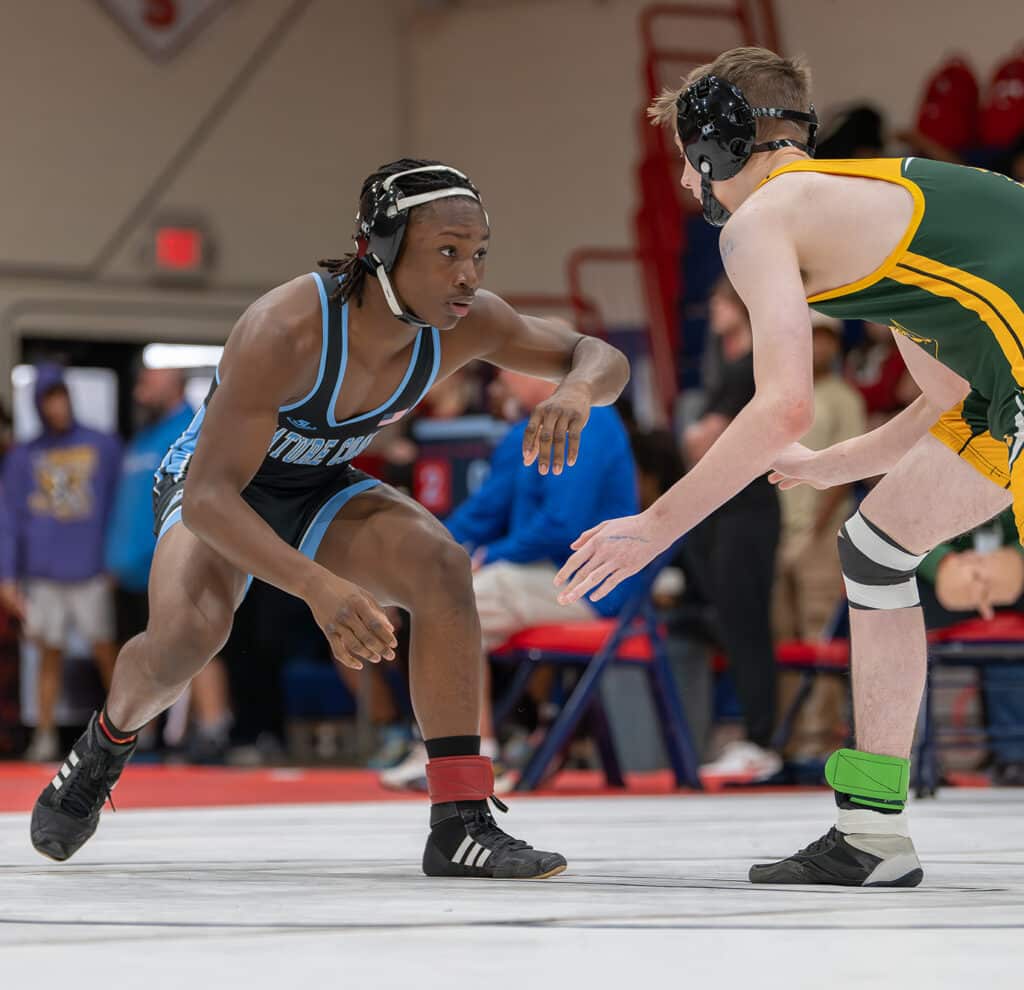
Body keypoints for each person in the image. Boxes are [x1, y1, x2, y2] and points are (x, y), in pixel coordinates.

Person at [30, 158, 630, 880]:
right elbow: (215, 497)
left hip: (315, 482)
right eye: (447, 253)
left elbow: (600, 355)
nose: (468, 274)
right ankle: (105, 744)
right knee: (187, 638)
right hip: (220, 485)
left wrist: (573, 391)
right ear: (377, 246)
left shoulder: (468, 324)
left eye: (478, 254)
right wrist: (319, 586)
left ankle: (461, 823)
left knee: (441, 567)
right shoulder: (283, 329)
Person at [557, 45, 1024, 888]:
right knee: (878, 548)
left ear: (715, 150)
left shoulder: (762, 221)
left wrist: (656, 525)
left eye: (689, 167)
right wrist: (827, 467)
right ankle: (873, 832)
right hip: (1005, 381)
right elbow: (953, 399)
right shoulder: (867, 211)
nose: (692, 190)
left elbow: (783, 405)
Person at [381, 367, 639, 790]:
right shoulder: (525, 430)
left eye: (505, 372)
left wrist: (486, 557)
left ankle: (474, 754)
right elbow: (482, 511)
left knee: (457, 602)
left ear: (535, 373)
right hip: (545, 577)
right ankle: (448, 748)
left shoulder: (593, 419)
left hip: (592, 586)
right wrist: (420, 551)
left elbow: (562, 524)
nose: (498, 385)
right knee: (438, 595)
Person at [682, 275, 782, 783]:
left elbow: (707, 438)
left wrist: (703, 439)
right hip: (724, 507)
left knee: (749, 624)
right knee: (728, 619)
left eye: (720, 300)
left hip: (752, 508)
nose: (713, 309)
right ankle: (751, 732)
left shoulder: (756, 363)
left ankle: (762, 739)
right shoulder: (726, 364)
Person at [104, 367, 231, 760]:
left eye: (149, 382)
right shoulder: (142, 438)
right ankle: (138, 735)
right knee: (146, 654)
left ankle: (213, 729)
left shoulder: (190, 429)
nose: (140, 391)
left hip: (172, 560)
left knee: (195, 645)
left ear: (173, 385)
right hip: (128, 570)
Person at [0, 365, 121, 762]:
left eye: (60, 396)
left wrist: (116, 557)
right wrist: (8, 576)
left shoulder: (103, 446)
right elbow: (9, 519)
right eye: (48, 398)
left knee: (106, 649)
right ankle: (46, 736)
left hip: (90, 570)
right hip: (43, 573)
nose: (56, 406)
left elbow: (120, 507)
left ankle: (129, 731)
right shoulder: (23, 456)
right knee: (47, 653)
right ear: (38, 404)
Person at [773, 312, 865, 758]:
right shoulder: (785, 398)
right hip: (782, 533)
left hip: (822, 536)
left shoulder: (843, 397)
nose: (818, 347)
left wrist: (815, 530)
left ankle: (822, 741)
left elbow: (847, 469)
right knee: (784, 639)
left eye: (825, 338)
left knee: (819, 640)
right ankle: (789, 745)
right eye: (810, 337)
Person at [917, 509, 1024, 785]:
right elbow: (898, 517)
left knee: (1006, 644)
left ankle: (1014, 756)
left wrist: (1014, 559)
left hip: (1014, 573)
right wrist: (942, 564)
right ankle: (913, 756)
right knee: (898, 625)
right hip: (938, 574)